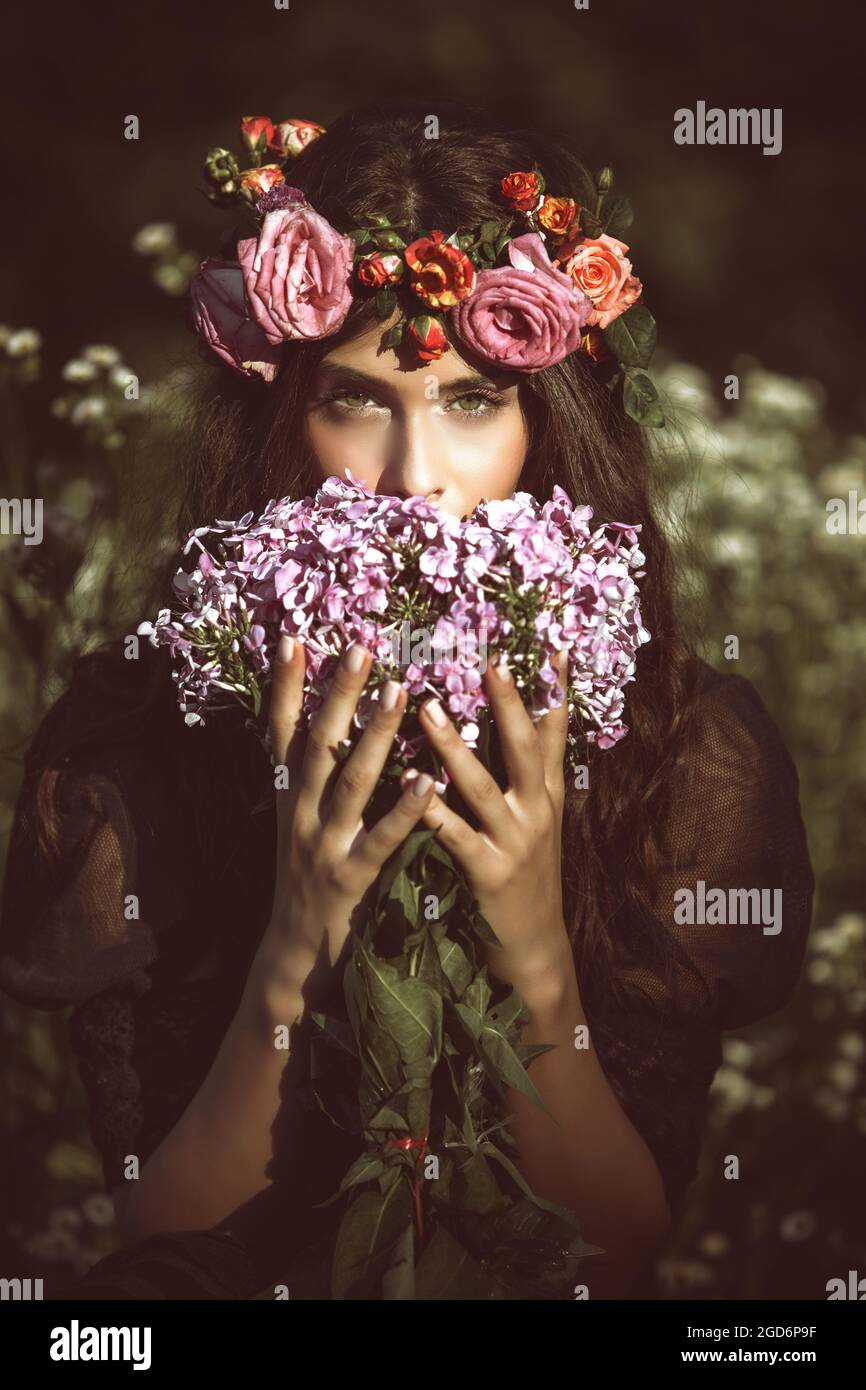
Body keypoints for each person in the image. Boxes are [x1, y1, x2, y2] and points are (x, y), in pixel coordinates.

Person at [0, 99, 814, 1300]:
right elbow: (159, 1245)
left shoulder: (677, 752)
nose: (414, 481)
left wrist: (535, 955)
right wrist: (295, 945)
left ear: (551, 425)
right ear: (283, 412)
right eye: (353, 401)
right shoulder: (140, 742)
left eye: (473, 402)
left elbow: (618, 1249)